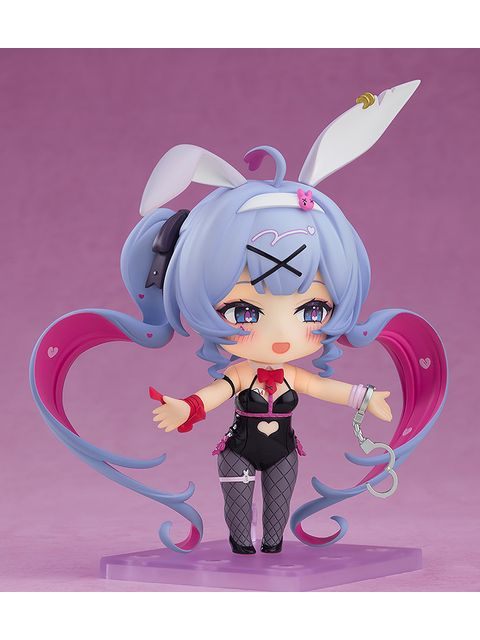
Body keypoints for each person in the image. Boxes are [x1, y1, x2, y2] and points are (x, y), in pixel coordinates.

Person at [30, 80, 448, 554]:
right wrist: (186, 408)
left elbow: (326, 389)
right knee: (238, 505)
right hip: (238, 449)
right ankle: (241, 547)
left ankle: (272, 548)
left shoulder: (289, 374)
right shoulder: (243, 374)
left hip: (284, 452)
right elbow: (215, 394)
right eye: (244, 310)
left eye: (313, 310)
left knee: (278, 508)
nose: (282, 335)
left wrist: (366, 397)